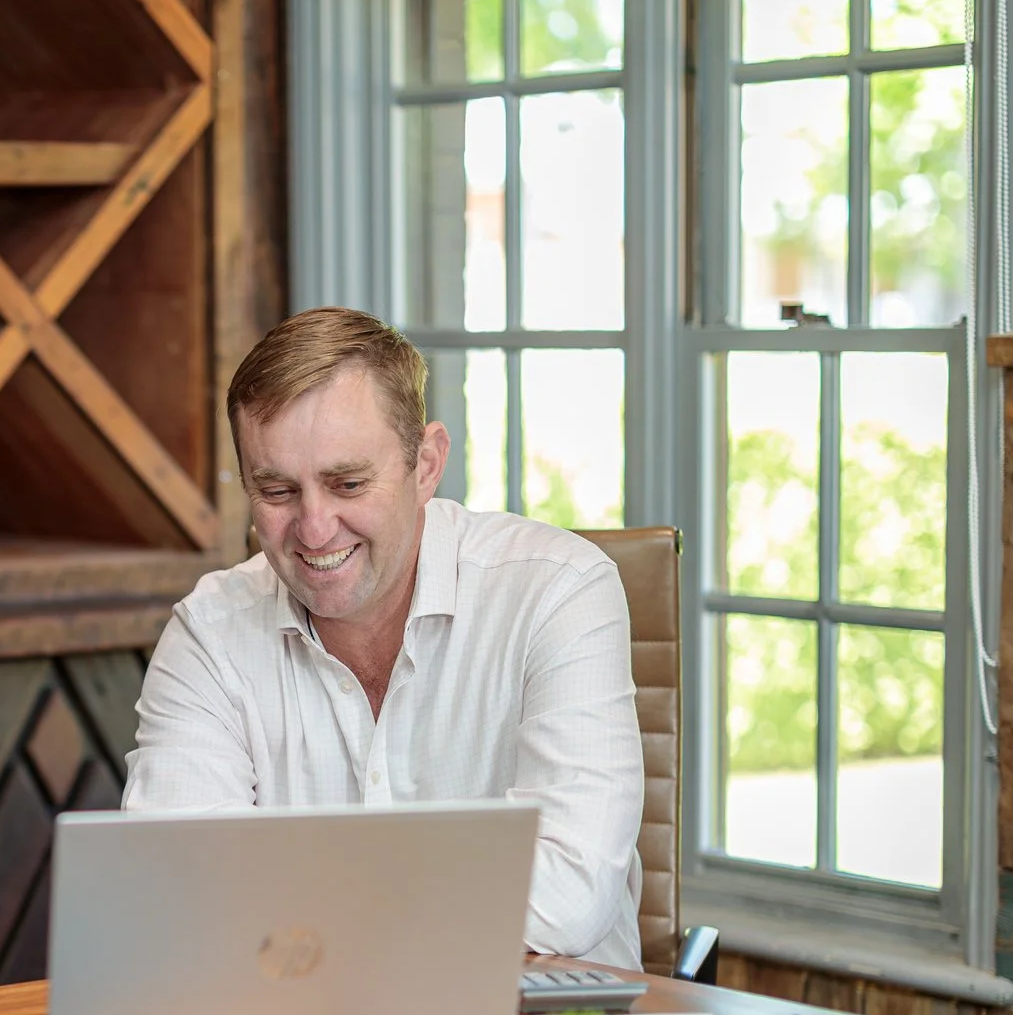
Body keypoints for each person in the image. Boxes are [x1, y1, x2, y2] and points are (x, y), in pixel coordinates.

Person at [122, 307, 644, 967]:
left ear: (426, 465)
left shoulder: (558, 591)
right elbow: (177, 890)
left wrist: (291, 910)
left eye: (348, 484)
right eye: (277, 491)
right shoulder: (208, 634)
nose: (315, 529)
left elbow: (567, 892)